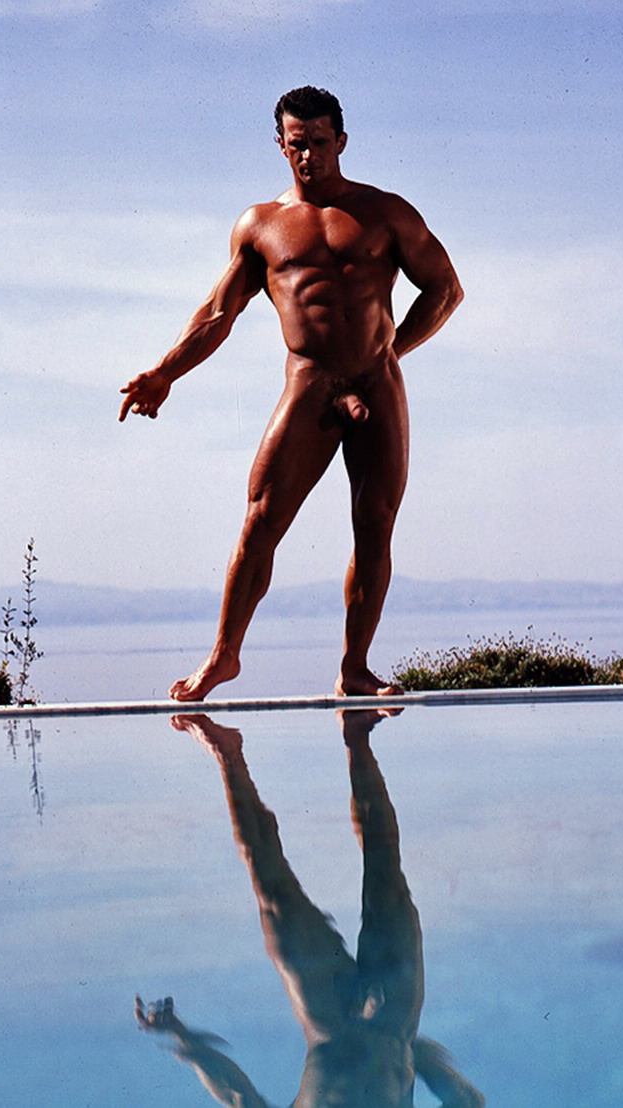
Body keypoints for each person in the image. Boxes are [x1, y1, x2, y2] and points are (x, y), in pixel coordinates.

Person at [119, 86, 463, 701]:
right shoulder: (261, 226)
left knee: (374, 526)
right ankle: (224, 657)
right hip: (309, 385)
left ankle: (354, 668)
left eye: (320, 143)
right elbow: (217, 313)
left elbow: (445, 290)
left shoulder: (386, 212)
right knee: (260, 518)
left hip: (378, 385)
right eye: (297, 144)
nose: (309, 156)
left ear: (342, 141)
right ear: (281, 145)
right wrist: (165, 371)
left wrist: (389, 353)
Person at [135, 709, 485, 1107]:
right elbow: (468, 1103)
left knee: (271, 888)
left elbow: (239, 1097)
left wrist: (184, 1039)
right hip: (391, 1015)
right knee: (385, 867)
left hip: (327, 1013)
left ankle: (228, 756)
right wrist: (417, 1056)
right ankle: (357, 733)